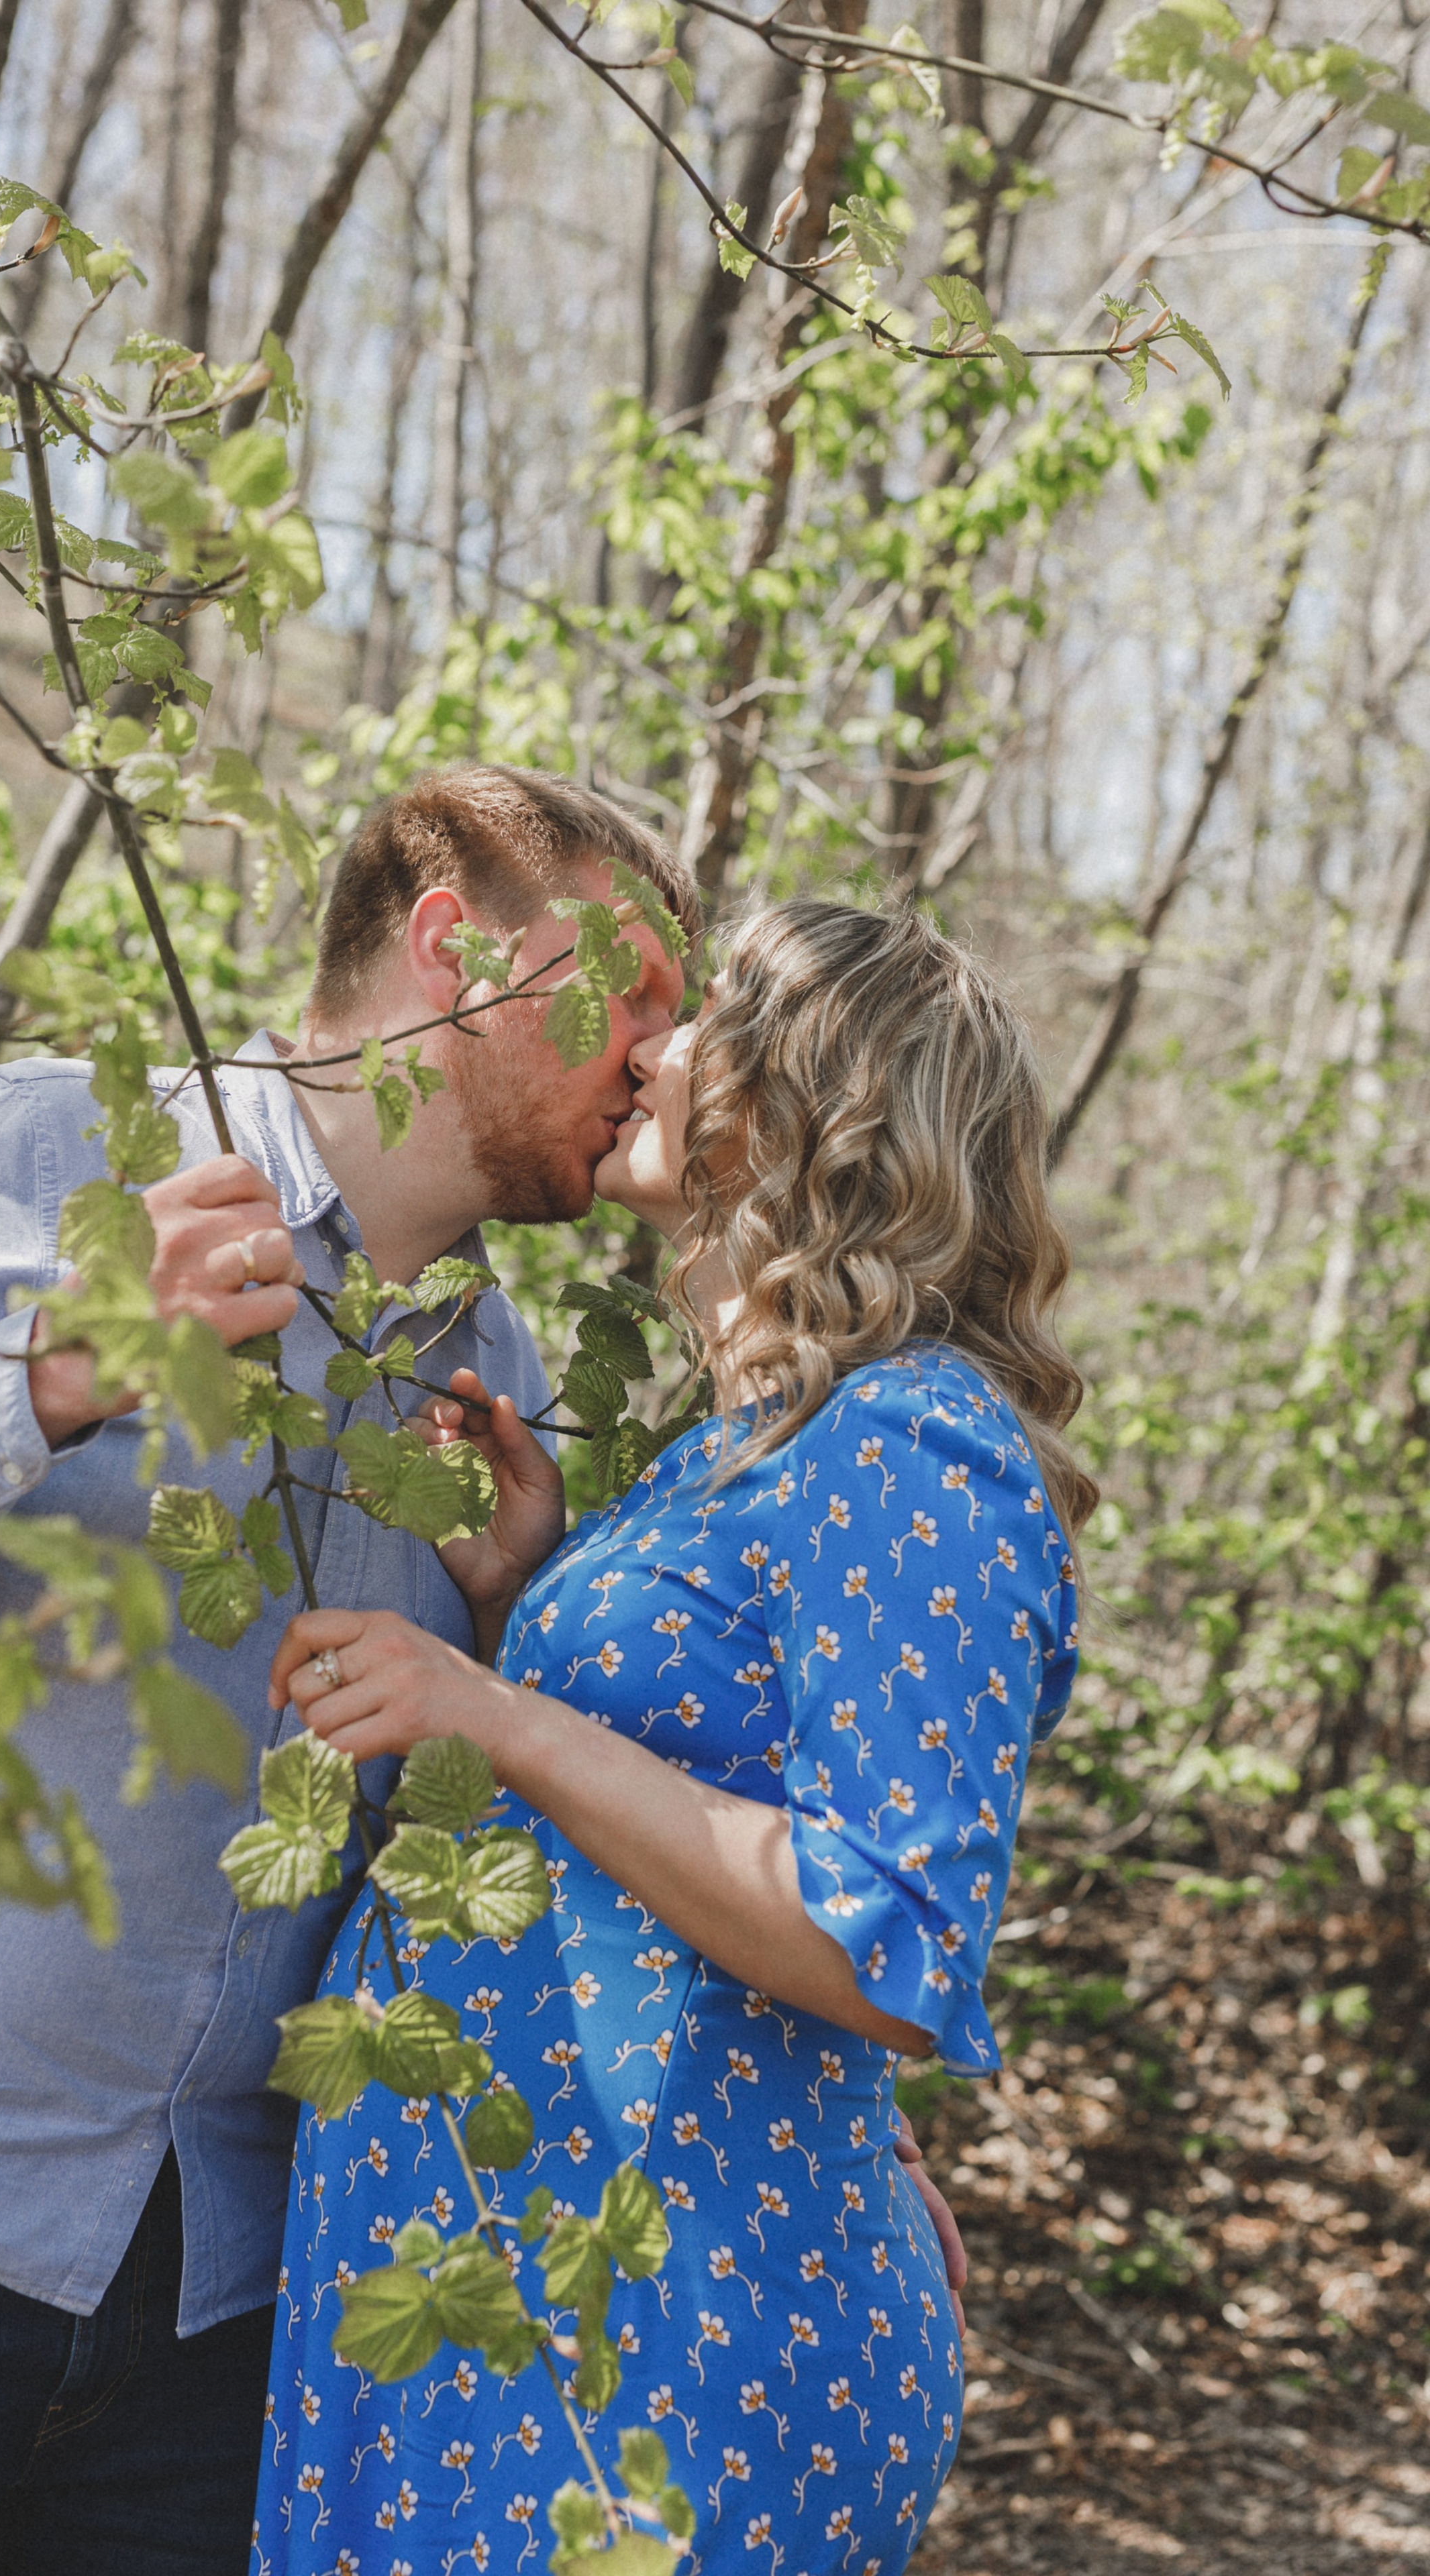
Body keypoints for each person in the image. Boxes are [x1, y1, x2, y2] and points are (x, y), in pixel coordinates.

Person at [0, 767, 696, 2575]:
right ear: (452, 948)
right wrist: (39, 1377)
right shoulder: (41, 1159)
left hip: (212, 2322)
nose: (660, 1054)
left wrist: (514, 1620)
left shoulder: (499, 1378)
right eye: (625, 990)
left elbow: (493, 1842)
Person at [262, 898, 1091, 2572]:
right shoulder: (742, 1445)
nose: (646, 1043)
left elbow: (883, 1945)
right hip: (496, 2281)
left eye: (708, 1015)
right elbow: (688, 1804)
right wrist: (525, 1590)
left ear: (818, 1106)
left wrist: (496, 1713)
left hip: (669, 2332)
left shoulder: (912, 1436)